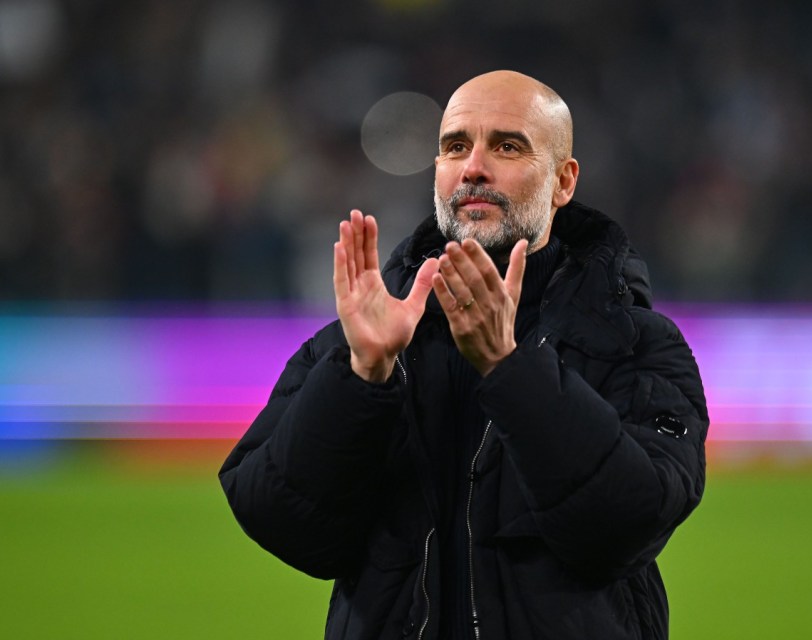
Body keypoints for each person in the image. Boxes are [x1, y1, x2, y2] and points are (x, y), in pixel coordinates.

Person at [220, 70, 708, 640]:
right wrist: (361, 377)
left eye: (507, 146)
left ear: (563, 181)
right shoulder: (372, 336)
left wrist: (512, 369)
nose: (473, 167)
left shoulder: (638, 344)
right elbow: (280, 520)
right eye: (455, 146)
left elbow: (626, 525)